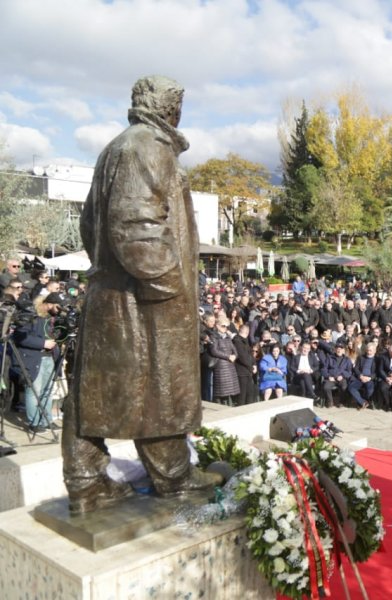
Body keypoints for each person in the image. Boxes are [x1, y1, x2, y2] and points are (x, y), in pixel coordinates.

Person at [62, 76, 221, 514]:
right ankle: (173, 478)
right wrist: (169, 286)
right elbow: (136, 225)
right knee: (158, 387)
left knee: (99, 391)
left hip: (115, 292)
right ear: (171, 108)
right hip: (144, 298)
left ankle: (86, 483)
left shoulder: (117, 147)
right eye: (178, 104)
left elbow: (90, 225)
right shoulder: (146, 146)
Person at [12, 294, 63, 432]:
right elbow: (20, 337)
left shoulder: (52, 318)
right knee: (34, 391)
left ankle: (46, 421)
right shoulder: (31, 315)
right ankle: (34, 423)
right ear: (49, 304)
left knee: (47, 392)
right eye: (58, 307)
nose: (60, 310)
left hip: (50, 358)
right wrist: (43, 343)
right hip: (34, 358)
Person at [208, 318, 240, 406]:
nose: (225, 328)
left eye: (227, 326)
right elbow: (214, 351)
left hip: (230, 365)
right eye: (223, 326)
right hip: (221, 366)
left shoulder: (227, 337)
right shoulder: (213, 336)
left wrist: (235, 356)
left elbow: (234, 350)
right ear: (217, 326)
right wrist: (228, 356)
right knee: (222, 392)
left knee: (231, 390)